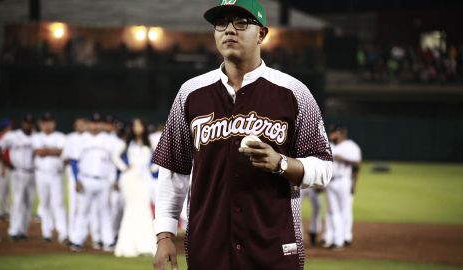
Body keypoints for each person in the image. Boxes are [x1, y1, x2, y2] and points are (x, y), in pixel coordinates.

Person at [152, 1, 333, 269]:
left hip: (273, 248)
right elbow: (174, 172)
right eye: (221, 24)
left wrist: (281, 164)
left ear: (262, 34)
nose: (229, 31)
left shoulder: (294, 92)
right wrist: (164, 235)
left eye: (241, 23)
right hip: (208, 248)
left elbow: (325, 168)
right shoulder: (190, 93)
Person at [69, 113, 116, 252]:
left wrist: (114, 179)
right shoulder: (81, 140)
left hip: (104, 180)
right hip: (86, 179)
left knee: (105, 212)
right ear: (88, 124)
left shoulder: (109, 140)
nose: (95, 125)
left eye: (98, 122)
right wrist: (77, 179)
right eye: (93, 122)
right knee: (83, 212)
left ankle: (109, 241)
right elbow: (74, 161)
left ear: (101, 124)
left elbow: (116, 159)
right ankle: (77, 241)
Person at [112, 117, 156, 257]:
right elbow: (114, 155)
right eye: (135, 126)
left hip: (145, 180)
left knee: (144, 208)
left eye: (140, 125)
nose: (137, 128)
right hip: (130, 179)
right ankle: (128, 246)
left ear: (144, 127)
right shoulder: (127, 142)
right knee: (130, 209)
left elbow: (162, 157)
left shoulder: (150, 142)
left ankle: (145, 245)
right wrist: (124, 168)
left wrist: (152, 169)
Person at [322, 125, 361, 249]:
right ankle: (336, 240)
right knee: (333, 211)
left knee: (345, 210)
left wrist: (342, 159)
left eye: (333, 133)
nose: (331, 135)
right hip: (330, 181)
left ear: (341, 133)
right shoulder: (330, 146)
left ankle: (345, 237)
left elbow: (357, 164)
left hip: (344, 180)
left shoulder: (351, 147)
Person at [0, 114, 35, 241]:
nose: (28, 125)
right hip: (17, 172)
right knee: (17, 202)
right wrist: (6, 162)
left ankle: (23, 231)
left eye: (30, 123)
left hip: (32, 173)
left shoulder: (36, 137)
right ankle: (13, 231)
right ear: (22, 123)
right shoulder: (13, 136)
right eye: (26, 122)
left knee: (28, 203)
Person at [32, 113, 68, 243]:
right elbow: (39, 152)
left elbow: (61, 151)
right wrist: (53, 151)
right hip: (41, 174)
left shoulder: (61, 136)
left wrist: (47, 151)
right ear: (40, 124)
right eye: (44, 122)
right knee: (45, 203)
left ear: (54, 123)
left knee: (58, 204)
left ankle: (63, 232)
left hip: (56, 175)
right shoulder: (36, 137)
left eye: (49, 122)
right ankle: (46, 233)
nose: (47, 124)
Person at [61, 117, 88, 246]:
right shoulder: (70, 138)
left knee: (86, 207)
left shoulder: (89, 138)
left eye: (83, 124)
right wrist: (74, 159)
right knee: (74, 206)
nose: (80, 126)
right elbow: (65, 158)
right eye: (78, 124)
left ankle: (83, 234)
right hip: (73, 176)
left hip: (88, 177)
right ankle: (72, 235)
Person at [0, 118, 13, 219]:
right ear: (4, 127)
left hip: (7, 165)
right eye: (9, 126)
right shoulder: (2, 137)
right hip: (2, 165)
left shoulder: (6, 137)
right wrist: (2, 168)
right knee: (0, 189)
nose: (10, 127)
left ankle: (6, 210)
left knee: (6, 190)